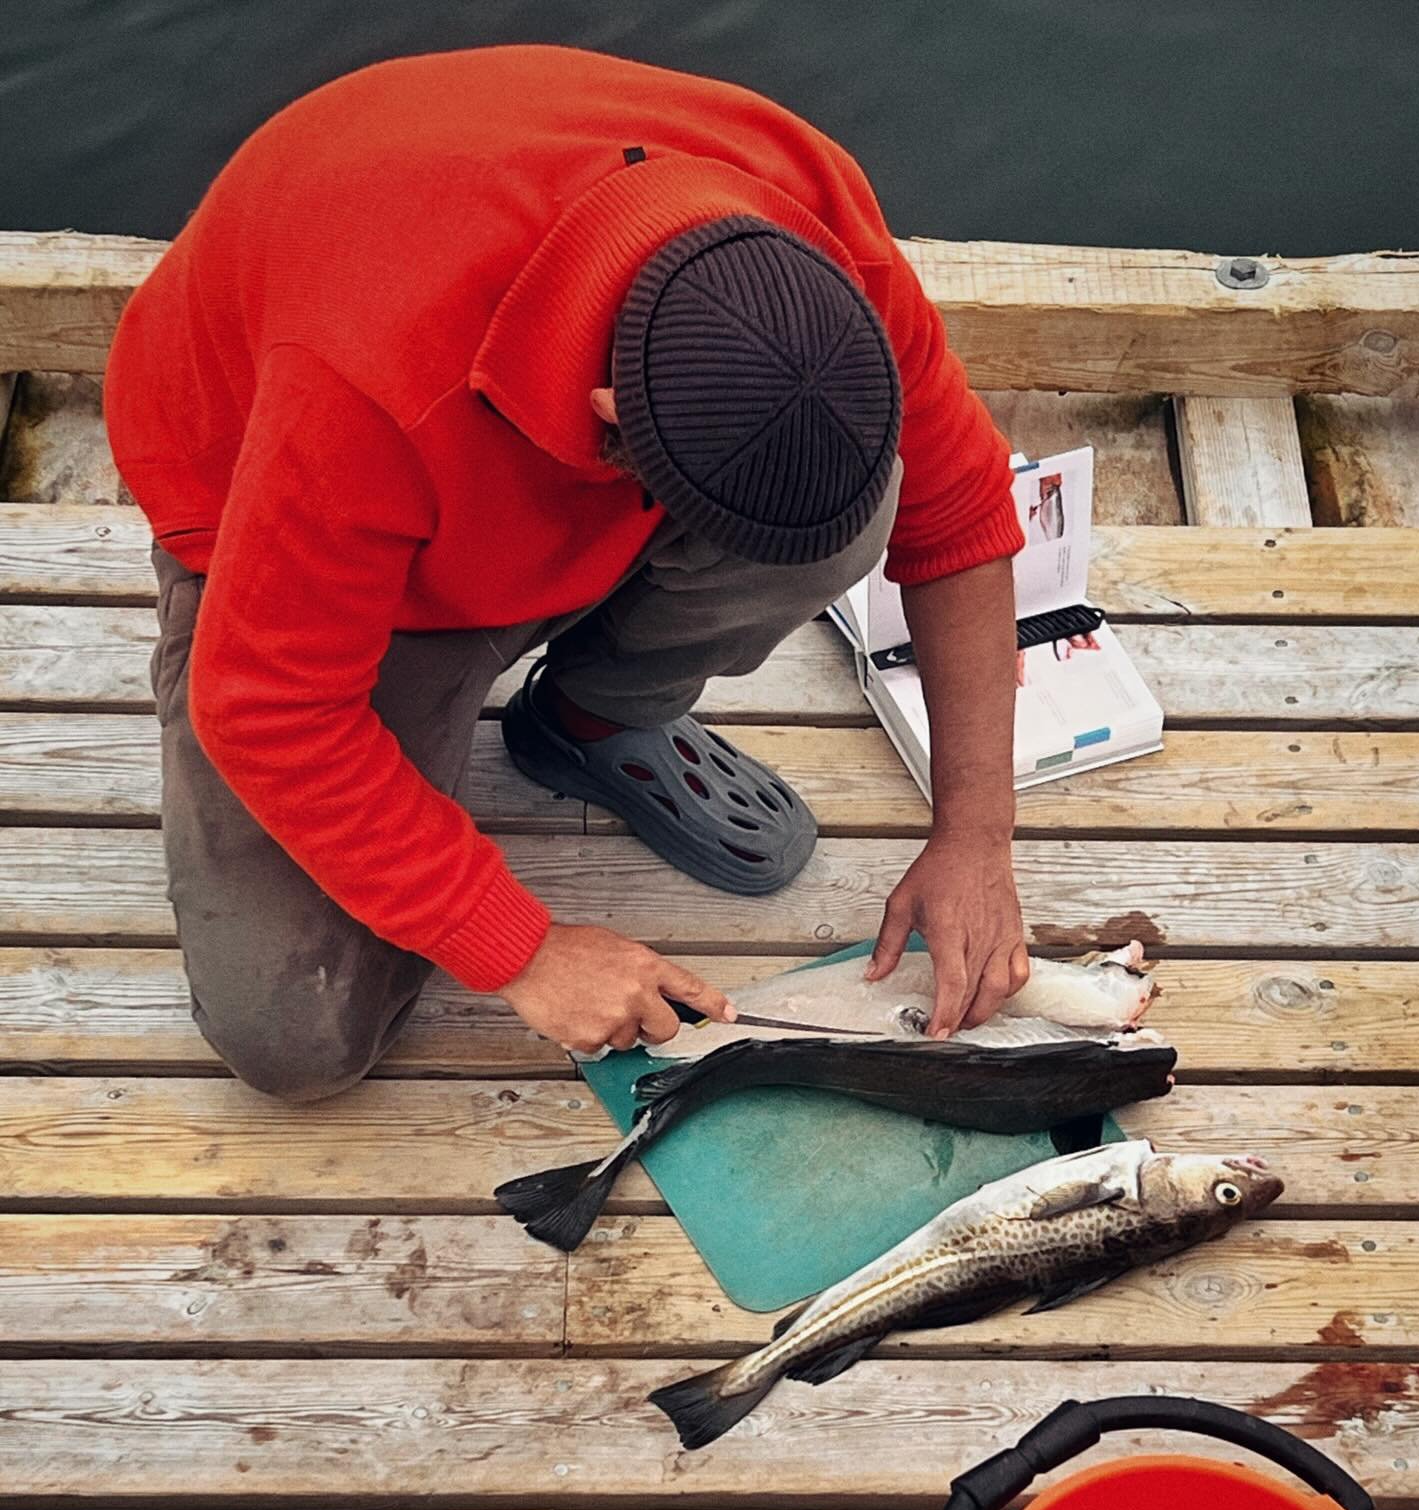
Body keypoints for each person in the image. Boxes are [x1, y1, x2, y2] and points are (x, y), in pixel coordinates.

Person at [105, 44, 1029, 1101]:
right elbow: (269, 710)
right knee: (295, 1035)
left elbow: (960, 515)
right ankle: (432, 717)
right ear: (610, 419)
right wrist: (524, 949)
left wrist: (976, 837)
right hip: (298, 521)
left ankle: (586, 722)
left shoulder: (812, 217)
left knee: (845, 519)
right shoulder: (361, 391)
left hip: (502, 469)